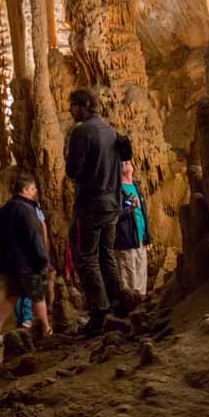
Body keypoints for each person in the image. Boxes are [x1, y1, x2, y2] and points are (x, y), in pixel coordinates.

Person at [65, 87, 122, 337]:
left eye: (73, 105)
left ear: (85, 105)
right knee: (106, 254)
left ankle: (98, 313)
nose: (70, 110)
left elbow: (73, 171)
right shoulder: (110, 130)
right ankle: (117, 304)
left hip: (91, 205)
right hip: (112, 204)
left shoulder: (82, 132)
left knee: (86, 257)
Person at [0, 173, 52, 344]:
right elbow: (34, 236)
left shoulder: (5, 209)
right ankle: (46, 331)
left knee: (12, 296)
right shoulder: (26, 209)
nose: (35, 191)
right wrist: (42, 259)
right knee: (38, 295)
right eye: (32, 189)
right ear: (24, 190)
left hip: (10, 263)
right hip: (28, 263)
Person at [115, 160, 151, 295]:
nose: (126, 163)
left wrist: (148, 236)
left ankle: (139, 309)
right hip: (126, 240)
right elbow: (114, 214)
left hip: (140, 238)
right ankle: (129, 311)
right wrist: (130, 208)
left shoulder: (136, 186)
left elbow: (144, 213)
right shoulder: (116, 189)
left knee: (142, 277)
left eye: (128, 161)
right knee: (129, 279)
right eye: (123, 162)